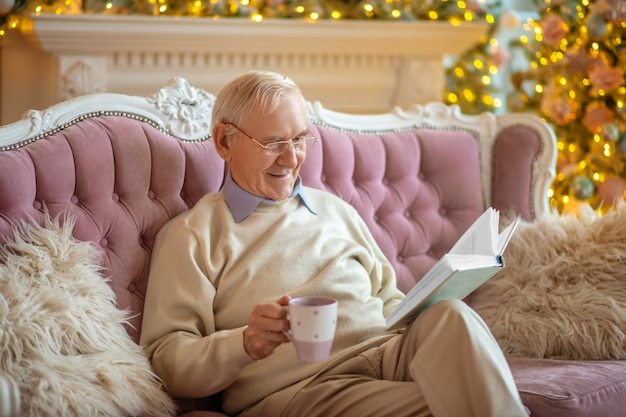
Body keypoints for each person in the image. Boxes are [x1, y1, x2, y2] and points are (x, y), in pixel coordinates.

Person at [139, 70, 528, 417]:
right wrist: (243, 343)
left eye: (299, 139)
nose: (292, 159)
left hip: (388, 354)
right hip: (307, 390)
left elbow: (390, 299)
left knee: (450, 316)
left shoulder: (336, 210)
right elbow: (168, 359)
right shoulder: (194, 235)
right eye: (273, 143)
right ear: (225, 142)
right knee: (461, 405)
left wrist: (427, 300)